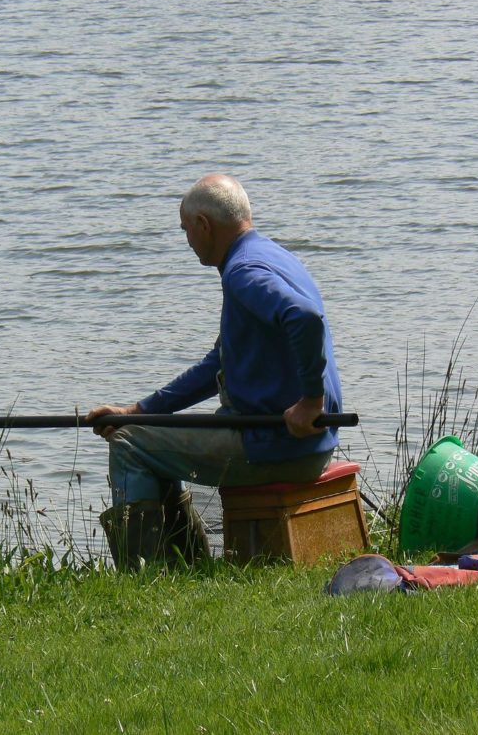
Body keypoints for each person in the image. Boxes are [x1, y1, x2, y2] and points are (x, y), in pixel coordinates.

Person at [88, 174, 343, 568]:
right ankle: (187, 563)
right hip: (309, 443)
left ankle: (144, 576)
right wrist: (139, 411)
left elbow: (305, 317)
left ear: (204, 225)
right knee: (142, 432)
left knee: (129, 444)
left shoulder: (242, 272)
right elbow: (218, 366)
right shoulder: (273, 255)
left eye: (186, 230)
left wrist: (311, 400)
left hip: (281, 447)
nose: (188, 240)